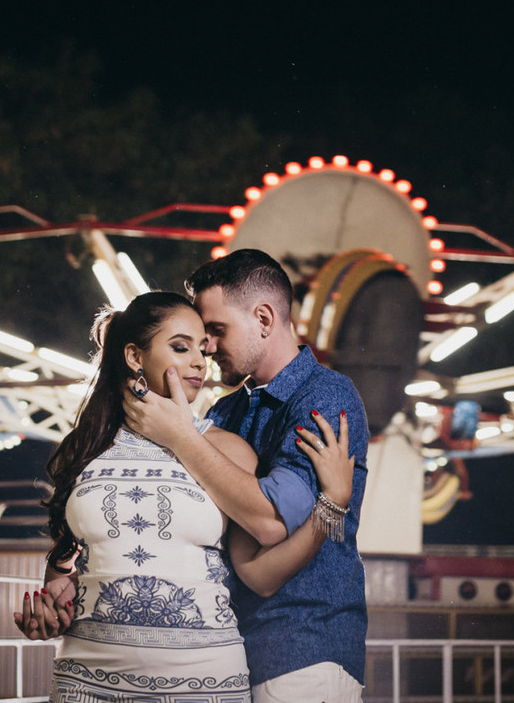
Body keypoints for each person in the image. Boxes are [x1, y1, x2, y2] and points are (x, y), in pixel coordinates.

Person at [13, 291, 354, 703]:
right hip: (86, 679)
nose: (199, 361)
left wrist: (332, 503)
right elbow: (68, 561)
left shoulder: (228, 450)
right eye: (180, 346)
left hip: (205, 682)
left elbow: (260, 573)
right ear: (135, 356)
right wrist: (52, 607)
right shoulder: (82, 449)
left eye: (202, 348)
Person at [122, 249, 370, 702]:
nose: (207, 348)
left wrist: (182, 438)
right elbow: (240, 556)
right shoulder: (226, 411)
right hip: (224, 657)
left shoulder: (327, 396)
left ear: (263, 318)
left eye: (216, 330)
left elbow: (271, 522)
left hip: (303, 651)